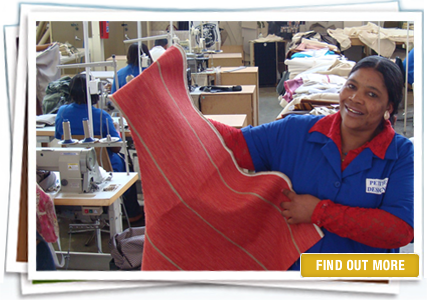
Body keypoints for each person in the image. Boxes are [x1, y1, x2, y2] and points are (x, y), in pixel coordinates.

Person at [209, 55, 414, 270]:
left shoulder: (400, 154)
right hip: (296, 276)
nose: (355, 98)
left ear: (388, 107)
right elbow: (233, 144)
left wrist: (319, 212)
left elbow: (400, 229)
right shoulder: (295, 132)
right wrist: (180, 112)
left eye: (371, 94)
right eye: (351, 86)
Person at [55, 74, 144, 223]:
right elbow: (116, 148)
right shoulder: (101, 116)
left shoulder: (62, 112)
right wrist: (116, 130)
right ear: (95, 93)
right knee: (125, 164)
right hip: (102, 166)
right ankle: (133, 215)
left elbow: (60, 136)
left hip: (73, 167)